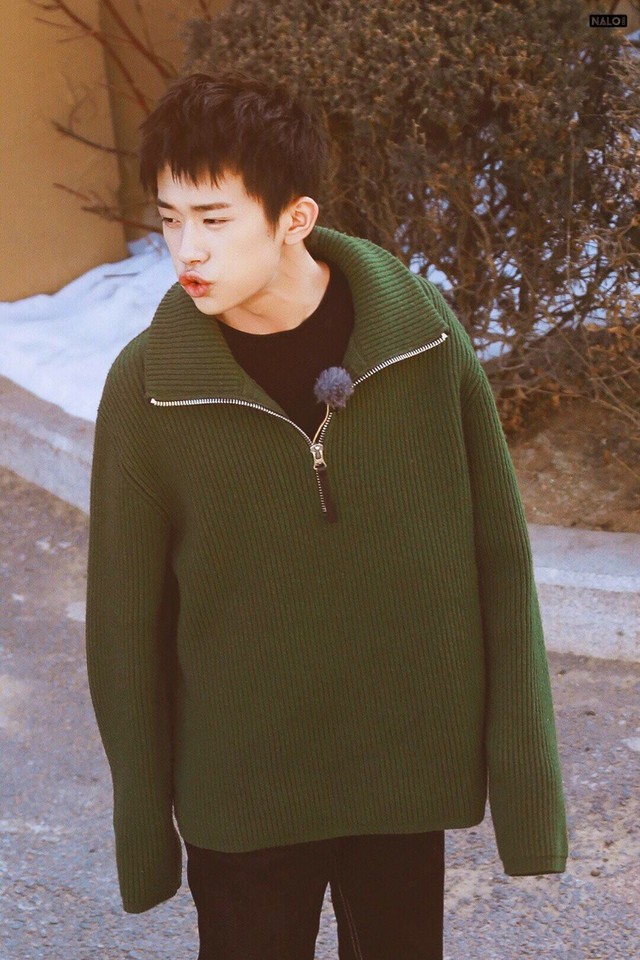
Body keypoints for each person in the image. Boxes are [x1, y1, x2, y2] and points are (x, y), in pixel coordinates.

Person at [85, 70, 568, 960]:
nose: (187, 249)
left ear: (294, 218)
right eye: (170, 219)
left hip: (400, 778)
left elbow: (500, 562)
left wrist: (529, 804)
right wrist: (145, 833)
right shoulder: (148, 385)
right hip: (242, 792)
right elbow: (124, 626)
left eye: (215, 219)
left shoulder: (419, 337)